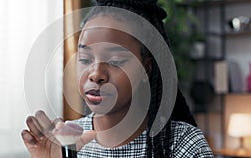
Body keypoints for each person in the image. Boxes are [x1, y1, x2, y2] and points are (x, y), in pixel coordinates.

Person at [21, 0, 214, 157]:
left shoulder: (182, 145)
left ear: (146, 67)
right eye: (85, 59)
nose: (95, 74)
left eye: (115, 61)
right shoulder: (67, 141)